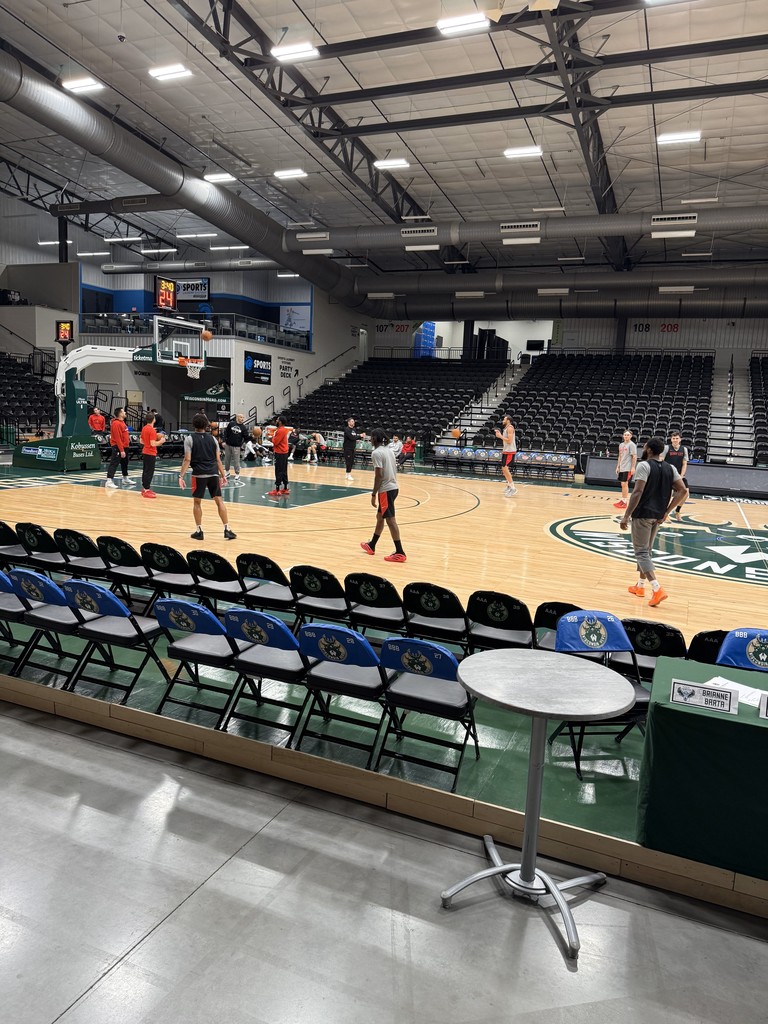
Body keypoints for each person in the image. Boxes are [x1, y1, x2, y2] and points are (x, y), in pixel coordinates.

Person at [619, 436, 688, 607]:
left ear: (649, 449)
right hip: (657, 515)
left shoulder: (644, 465)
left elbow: (637, 492)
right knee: (646, 552)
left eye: (645, 447)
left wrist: (626, 515)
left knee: (641, 553)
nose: (643, 448)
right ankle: (640, 586)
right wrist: (666, 511)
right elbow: (683, 491)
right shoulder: (670, 468)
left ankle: (657, 589)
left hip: (643, 514)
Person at [178, 413, 236, 540]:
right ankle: (227, 529)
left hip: (199, 475)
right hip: (213, 473)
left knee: (197, 502)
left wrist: (181, 476)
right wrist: (223, 474)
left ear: (194, 425)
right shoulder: (213, 439)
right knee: (219, 501)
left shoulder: (189, 439)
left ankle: (199, 531)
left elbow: (187, 459)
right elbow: (218, 460)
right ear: (206, 425)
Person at [360, 427, 406, 563]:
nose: (370, 439)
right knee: (380, 517)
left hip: (385, 489)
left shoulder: (376, 453)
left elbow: (379, 475)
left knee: (390, 520)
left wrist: (373, 494)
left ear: (374, 439)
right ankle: (372, 544)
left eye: (371, 437)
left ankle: (400, 552)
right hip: (394, 487)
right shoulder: (389, 451)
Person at [662, 431, 690, 522]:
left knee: (685, 492)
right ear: (671, 439)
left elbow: (684, 464)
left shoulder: (684, 449)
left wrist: (681, 476)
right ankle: (665, 513)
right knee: (667, 494)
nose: (675, 440)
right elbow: (661, 460)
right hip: (668, 474)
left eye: (677, 438)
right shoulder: (666, 448)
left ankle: (677, 511)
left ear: (680, 439)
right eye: (673, 438)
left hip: (679, 475)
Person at [104, 407, 134, 489]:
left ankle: (125, 478)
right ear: (120, 413)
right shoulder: (116, 423)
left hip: (125, 446)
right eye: (123, 411)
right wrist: (121, 450)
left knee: (125, 463)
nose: (125, 412)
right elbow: (117, 438)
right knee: (114, 463)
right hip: (118, 447)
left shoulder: (122, 423)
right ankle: (109, 481)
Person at [140, 411, 165, 499]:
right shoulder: (151, 430)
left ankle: (144, 488)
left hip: (145, 451)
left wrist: (147, 443)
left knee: (145, 470)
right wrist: (161, 441)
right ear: (154, 420)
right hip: (150, 452)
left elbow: (141, 441)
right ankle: (147, 489)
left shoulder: (144, 428)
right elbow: (153, 444)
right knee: (149, 471)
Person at [268, 416, 292, 496]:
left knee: (278, 471)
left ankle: (277, 489)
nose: (276, 421)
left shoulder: (280, 430)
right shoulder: (284, 430)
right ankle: (285, 488)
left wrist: (270, 438)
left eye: (277, 420)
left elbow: (276, 442)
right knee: (284, 470)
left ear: (280, 422)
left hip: (280, 453)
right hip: (284, 452)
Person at [614, 429, 637, 510]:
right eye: (625, 435)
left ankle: (625, 502)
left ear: (631, 436)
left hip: (628, 467)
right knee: (622, 484)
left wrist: (633, 467)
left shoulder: (632, 445)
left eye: (628, 435)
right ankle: (623, 500)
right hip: (622, 467)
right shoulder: (621, 445)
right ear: (623, 436)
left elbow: (634, 456)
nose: (626, 436)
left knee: (625, 484)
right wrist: (618, 466)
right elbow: (620, 456)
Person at [494, 415, 517, 496]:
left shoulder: (510, 428)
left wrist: (500, 436)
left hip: (510, 451)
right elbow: (506, 441)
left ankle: (513, 488)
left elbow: (509, 441)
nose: (503, 420)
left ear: (508, 420)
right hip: (506, 451)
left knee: (505, 468)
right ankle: (509, 486)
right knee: (504, 469)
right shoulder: (506, 428)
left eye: (504, 419)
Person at [223, 413, 246, 483]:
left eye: (243, 417)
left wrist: (253, 437)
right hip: (228, 444)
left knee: (236, 461)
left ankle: (237, 474)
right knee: (227, 459)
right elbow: (226, 433)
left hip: (236, 446)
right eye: (241, 417)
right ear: (237, 418)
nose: (242, 419)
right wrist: (224, 441)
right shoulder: (231, 424)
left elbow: (246, 437)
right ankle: (227, 472)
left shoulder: (243, 427)